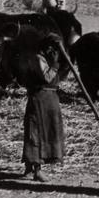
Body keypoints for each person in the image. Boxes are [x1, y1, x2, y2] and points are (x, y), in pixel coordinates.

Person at [21, 32, 66, 182]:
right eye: (53, 48)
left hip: (50, 99)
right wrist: (54, 64)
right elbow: (47, 77)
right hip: (40, 99)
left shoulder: (46, 58)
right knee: (36, 132)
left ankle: (29, 169)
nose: (54, 52)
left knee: (47, 131)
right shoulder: (37, 59)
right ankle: (35, 169)